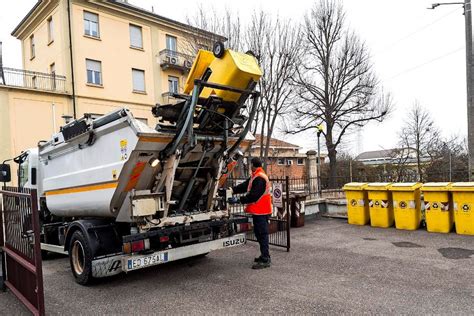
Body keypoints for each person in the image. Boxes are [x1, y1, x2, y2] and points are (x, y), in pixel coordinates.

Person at [228, 157, 272, 269]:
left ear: (253, 165)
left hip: (262, 211)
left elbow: (254, 195)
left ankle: (265, 259)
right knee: (259, 233)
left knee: (262, 234)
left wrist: (239, 200)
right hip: (258, 211)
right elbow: (245, 186)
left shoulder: (260, 178)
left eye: (250, 164)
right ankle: (264, 255)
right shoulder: (255, 176)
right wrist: (232, 190)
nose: (249, 166)